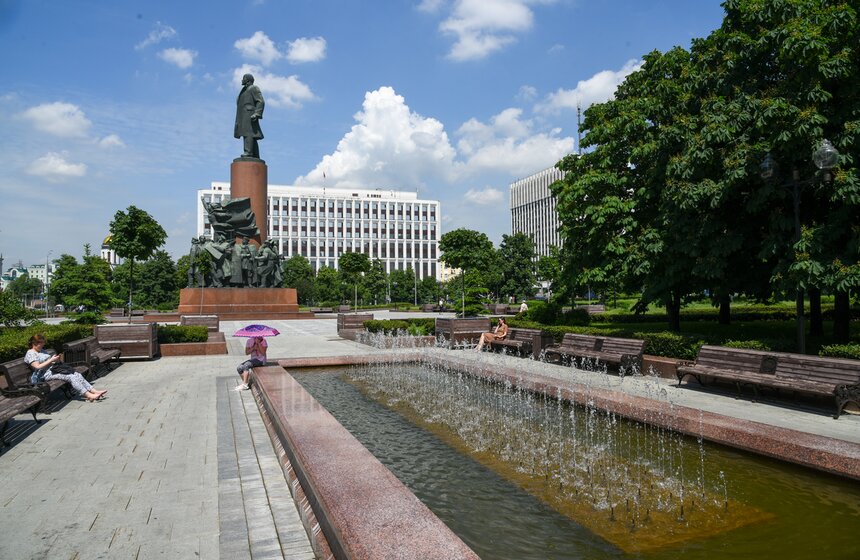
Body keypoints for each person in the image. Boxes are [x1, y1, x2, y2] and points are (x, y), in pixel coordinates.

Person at [24, 334, 107, 402]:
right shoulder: (31, 353)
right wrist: (51, 360)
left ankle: (93, 390)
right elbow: (37, 367)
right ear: (34, 344)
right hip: (44, 375)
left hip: (54, 370)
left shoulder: (41, 351)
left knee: (76, 374)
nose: (42, 345)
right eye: (40, 344)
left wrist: (55, 360)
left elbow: (48, 362)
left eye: (43, 343)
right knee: (71, 377)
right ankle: (88, 395)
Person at [234, 73, 265, 159]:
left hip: (250, 115)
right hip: (243, 115)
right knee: (250, 135)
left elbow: (260, 101)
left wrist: (257, 113)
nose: (242, 80)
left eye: (243, 78)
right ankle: (255, 154)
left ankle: (248, 152)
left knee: (248, 133)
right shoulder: (244, 89)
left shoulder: (254, 88)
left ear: (247, 79)